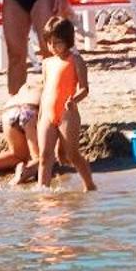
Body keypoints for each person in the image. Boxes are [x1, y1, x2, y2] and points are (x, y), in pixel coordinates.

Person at [34, 16, 96, 191]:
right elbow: (46, 90)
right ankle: (42, 191)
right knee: (45, 156)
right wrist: (40, 116)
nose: (53, 47)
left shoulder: (76, 60)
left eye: (58, 43)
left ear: (68, 41)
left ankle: (89, 186)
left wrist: (74, 100)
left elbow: (84, 88)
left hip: (67, 113)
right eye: (50, 43)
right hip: (47, 114)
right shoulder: (47, 63)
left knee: (72, 154)